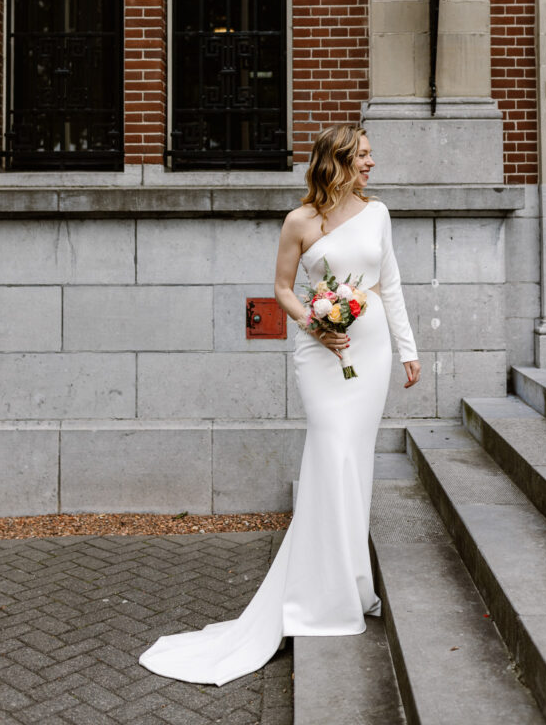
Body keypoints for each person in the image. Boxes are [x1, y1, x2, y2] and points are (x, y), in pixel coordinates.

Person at [139, 124, 420, 685]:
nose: (371, 165)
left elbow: (389, 285)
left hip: (372, 354)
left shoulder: (379, 214)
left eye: (370, 156)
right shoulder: (299, 222)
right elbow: (283, 288)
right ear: (337, 161)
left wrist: (409, 350)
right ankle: (323, 595)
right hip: (319, 356)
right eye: (363, 156)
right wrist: (316, 324)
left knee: (355, 465)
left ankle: (351, 586)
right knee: (330, 455)